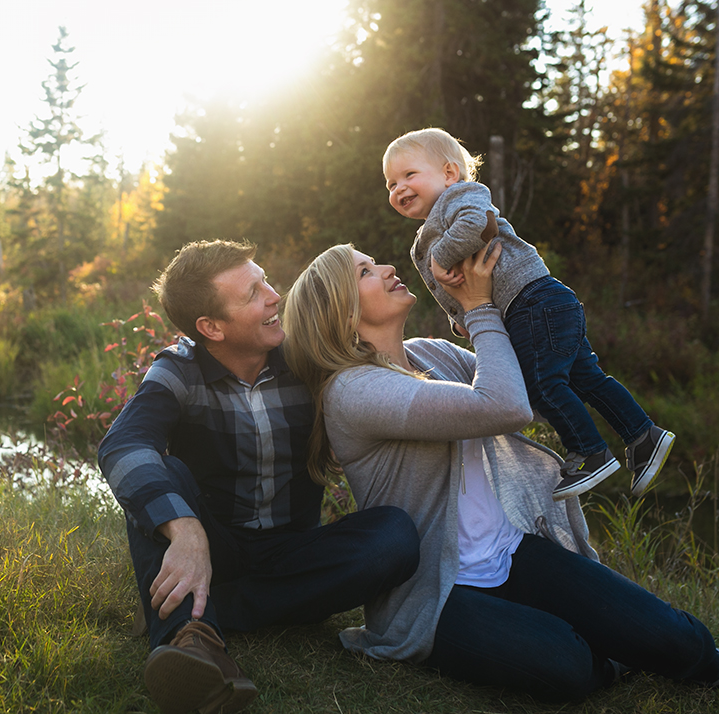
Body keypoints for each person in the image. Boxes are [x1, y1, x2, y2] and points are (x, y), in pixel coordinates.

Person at [281, 240, 719, 701]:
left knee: (677, 638)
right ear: (345, 316)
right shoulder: (354, 391)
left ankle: (641, 648)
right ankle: (593, 648)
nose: (388, 267)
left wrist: (540, 315)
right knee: (566, 666)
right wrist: (478, 308)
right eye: (366, 272)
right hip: (438, 590)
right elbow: (505, 406)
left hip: (512, 553)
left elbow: (529, 391)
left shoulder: (432, 354)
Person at [97, 239, 420, 714]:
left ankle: (209, 615)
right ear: (211, 327)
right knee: (161, 472)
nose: (275, 296)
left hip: (291, 550)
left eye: (266, 280)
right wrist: (186, 531)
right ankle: (186, 642)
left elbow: (382, 372)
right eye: (252, 293)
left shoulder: (306, 357)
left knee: (393, 536)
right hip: (216, 544)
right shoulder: (178, 372)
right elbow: (122, 445)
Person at [382, 127, 674, 501]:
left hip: (532, 302)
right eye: (390, 184)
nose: (399, 188)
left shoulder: (461, 197)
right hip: (541, 303)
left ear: (449, 173)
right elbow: (456, 285)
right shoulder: (431, 227)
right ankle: (642, 435)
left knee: (540, 383)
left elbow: (478, 224)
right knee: (586, 378)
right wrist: (461, 317)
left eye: (409, 175)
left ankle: (590, 452)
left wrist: (441, 258)